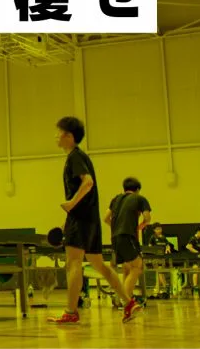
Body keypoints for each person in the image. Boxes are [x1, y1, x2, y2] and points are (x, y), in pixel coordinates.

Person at [48, 116, 131, 325]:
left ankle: (71, 311)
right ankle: (129, 302)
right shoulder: (81, 157)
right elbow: (86, 191)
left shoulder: (75, 157)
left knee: (73, 263)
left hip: (81, 220)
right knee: (98, 264)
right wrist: (67, 219)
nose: (55, 136)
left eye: (58, 132)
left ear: (68, 136)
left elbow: (88, 183)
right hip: (90, 220)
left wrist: (71, 204)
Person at [104, 177, 150, 322]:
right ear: (137, 189)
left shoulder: (115, 199)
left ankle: (125, 305)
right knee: (137, 267)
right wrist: (140, 226)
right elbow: (147, 218)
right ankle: (127, 303)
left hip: (115, 238)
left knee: (127, 268)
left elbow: (106, 218)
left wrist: (116, 227)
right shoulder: (139, 198)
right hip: (128, 236)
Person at [145, 223, 172, 295]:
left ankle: (156, 288)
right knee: (159, 271)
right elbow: (149, 247)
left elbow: (167, 245)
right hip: (155, 258)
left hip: (163, 258)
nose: (159, 230)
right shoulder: (153, 237)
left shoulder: (163, 237)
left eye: (160, 229)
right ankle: (165, 286)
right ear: (154, 230)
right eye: (157, 229)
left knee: (159, 272)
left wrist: (168, 249)